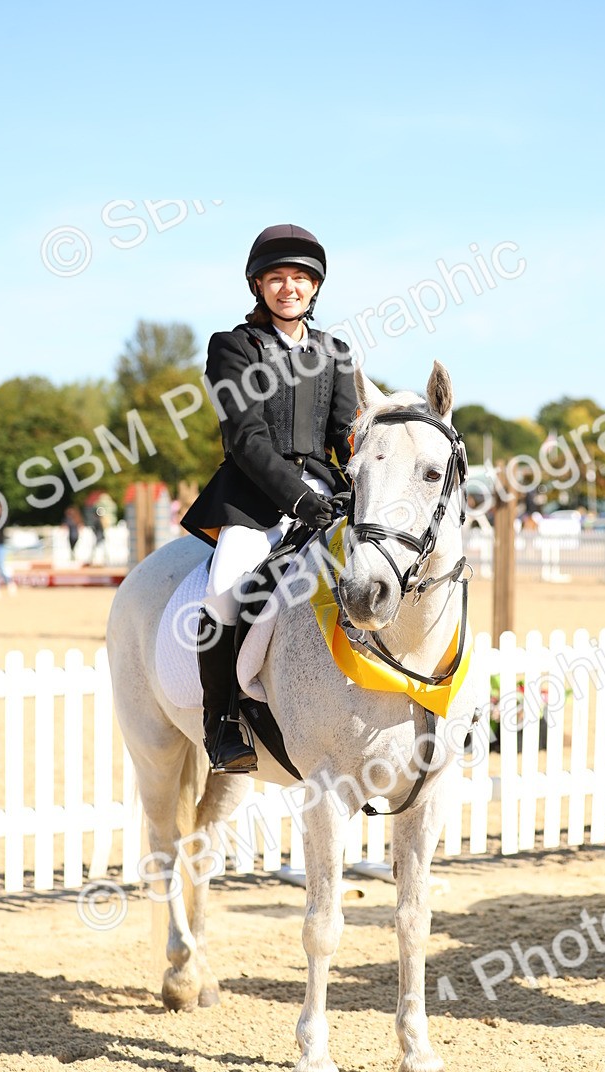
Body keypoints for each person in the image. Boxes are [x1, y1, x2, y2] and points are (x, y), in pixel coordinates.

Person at [181, 223, 358, 772]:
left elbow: (344, 433)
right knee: (224, 590)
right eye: (277, 278)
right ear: (258, 285)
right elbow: (245, 438)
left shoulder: (335, 352)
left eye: (300, 278)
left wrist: (358, 481)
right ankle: (221, 724)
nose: (289, 288)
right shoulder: (232, 347)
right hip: (254, 498)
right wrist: (297, 500)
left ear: (315, 287)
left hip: (323, 492)